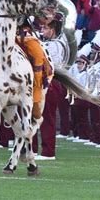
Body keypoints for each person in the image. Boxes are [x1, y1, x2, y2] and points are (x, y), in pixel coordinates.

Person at [33, 18, 67, 161]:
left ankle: (48, 152)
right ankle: (32, 149)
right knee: (33, 116)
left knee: (47, 117)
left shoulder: (55, 45)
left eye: (46, 29)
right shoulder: (48, 43)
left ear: (53, 30)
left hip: (51, 82)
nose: (43, 31)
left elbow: (44, 62)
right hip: (42, 82)